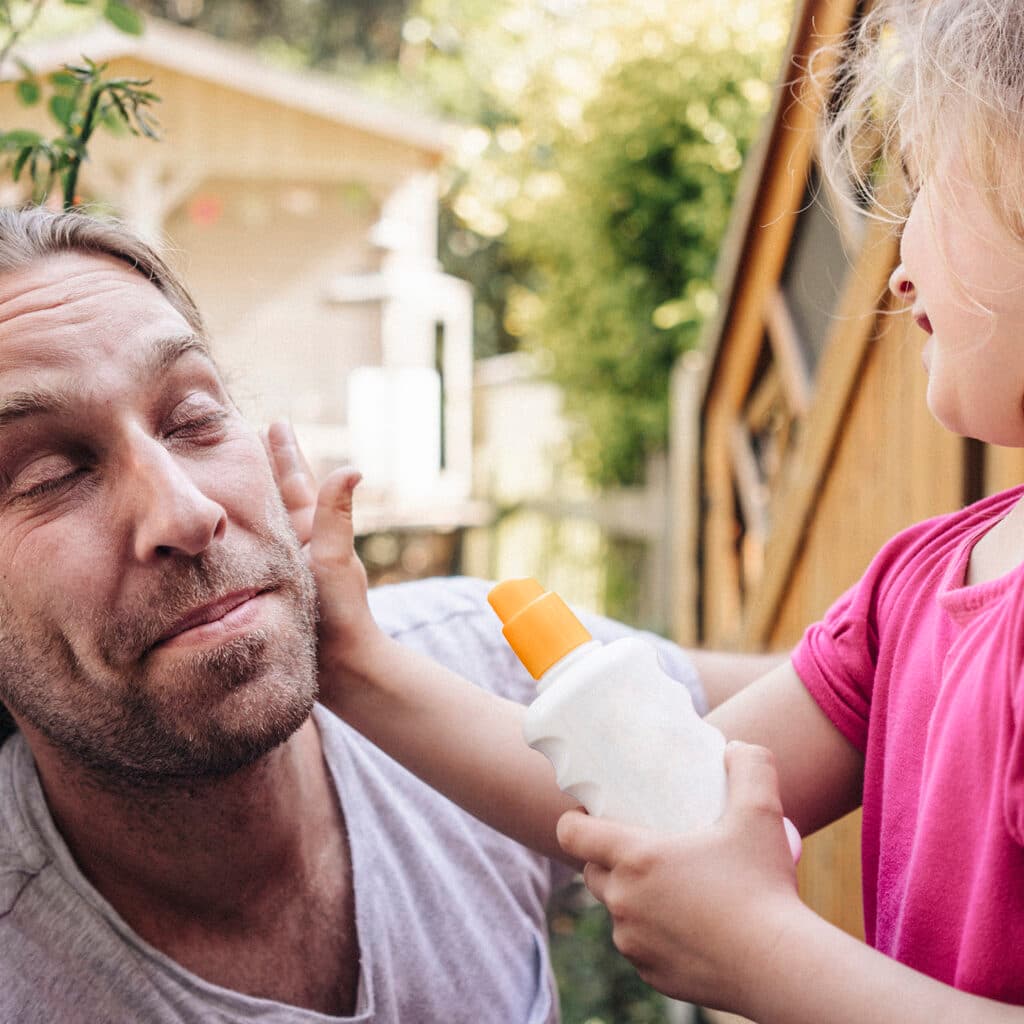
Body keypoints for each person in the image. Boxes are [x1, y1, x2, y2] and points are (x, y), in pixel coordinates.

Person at [300, 0, 1024, 1019]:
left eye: (925, 192)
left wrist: (766, 957)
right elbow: (649, 785)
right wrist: (353, 662)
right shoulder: (914, 585)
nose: (898, 270)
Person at [0, 205, 787, 1022]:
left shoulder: (465, 667)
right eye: (50, 475)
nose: (187, 512)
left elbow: (866, 701)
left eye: (194, 418)